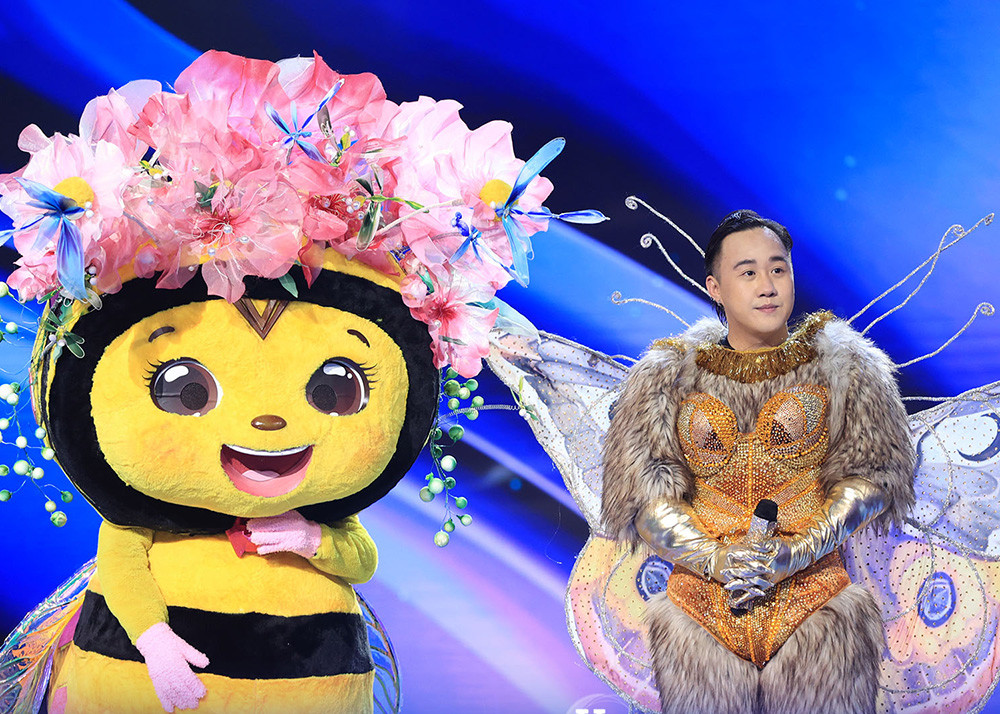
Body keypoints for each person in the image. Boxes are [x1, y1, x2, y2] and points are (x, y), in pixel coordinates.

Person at [601, 210, 916, 713]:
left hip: (817, 610)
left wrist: (798, 551)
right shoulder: (666, 376)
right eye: (747, 272)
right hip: (700, 618)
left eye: (778, 269)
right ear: (715, 287)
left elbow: (873, 475)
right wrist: (716, 559)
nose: (767, 286)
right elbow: (645, 498)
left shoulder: (845, 367)